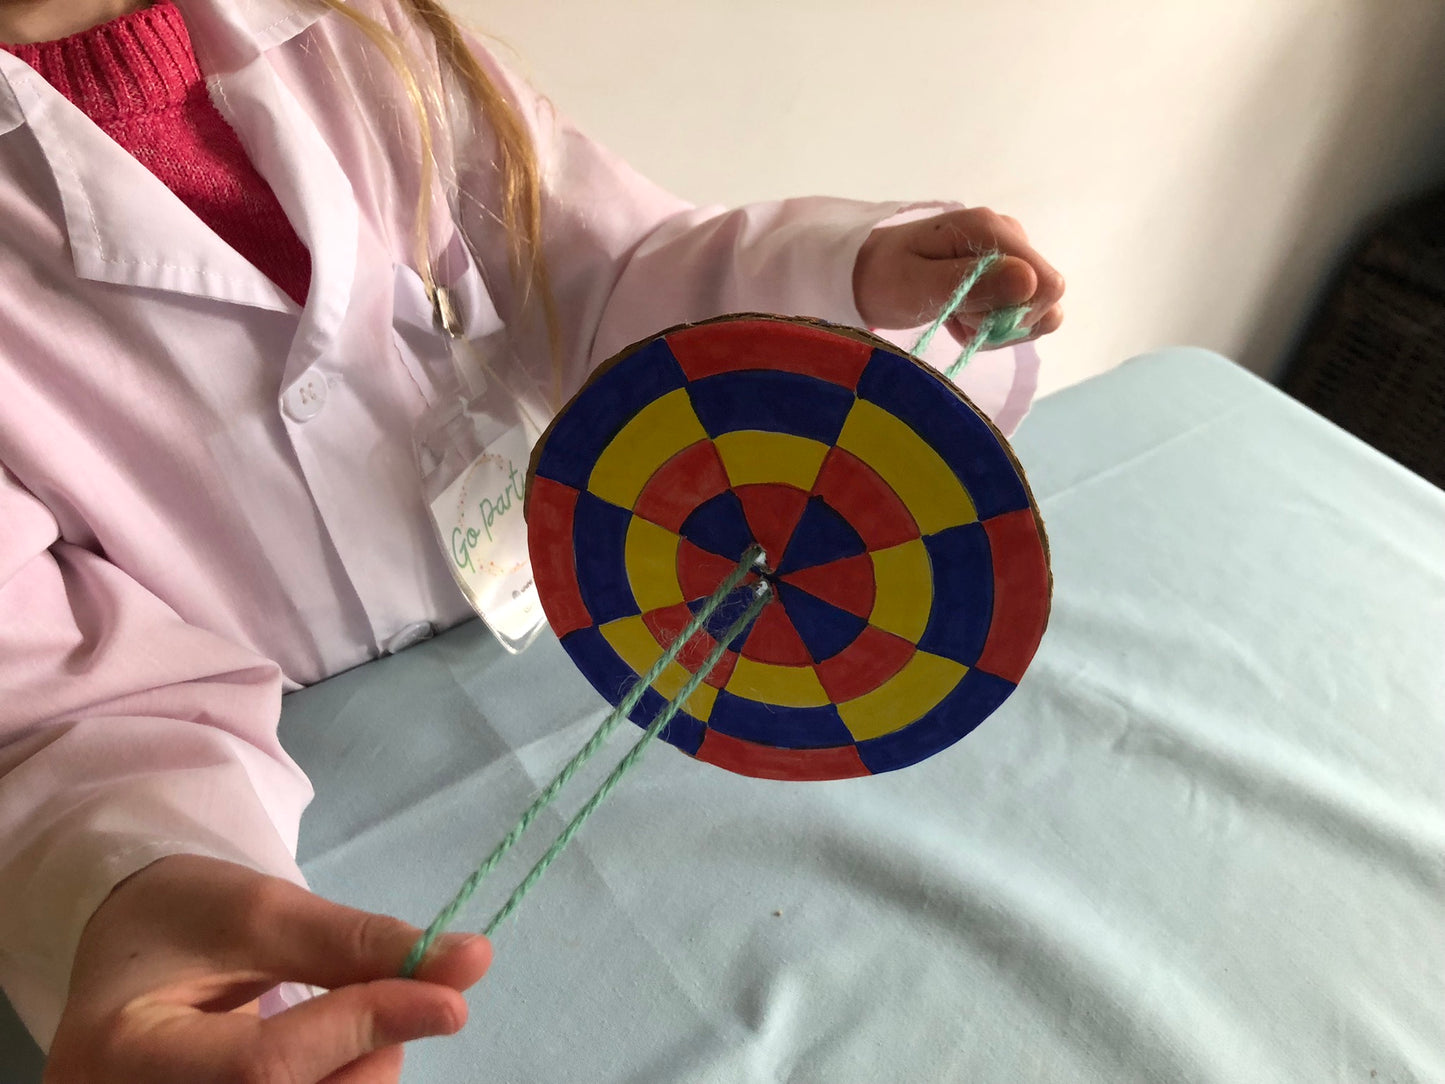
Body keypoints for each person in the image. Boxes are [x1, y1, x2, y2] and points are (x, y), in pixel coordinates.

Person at [0, 0, 1065, 1078]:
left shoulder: (359, 34)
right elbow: (43, 703)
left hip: (574, 672)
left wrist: (843, 288)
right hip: (274, 813)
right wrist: (131, 893)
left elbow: (607, 273)